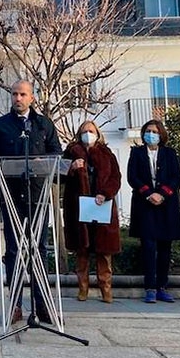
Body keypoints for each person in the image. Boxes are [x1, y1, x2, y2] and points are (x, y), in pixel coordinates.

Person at [0, 80, 61, 323]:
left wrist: (42, 162)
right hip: (11, 196)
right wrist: (3, 163)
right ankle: (14, 306)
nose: (18, 98)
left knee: (40, 250)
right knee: (14, 251)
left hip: (37, 196)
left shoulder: (43, 124)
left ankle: (43, 304)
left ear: (32, 98)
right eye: (14, 94)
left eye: (22, 94)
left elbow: (56, 154)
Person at [127, 119, 180, 304]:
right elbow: (132, 177)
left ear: (161, 134)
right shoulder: (136, 153)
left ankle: (162, 286)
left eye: (154, 131)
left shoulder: (170, 153)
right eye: (148, 131)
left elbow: (176, 177)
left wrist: (162, 194)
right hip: (145, 205)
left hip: (166, 205)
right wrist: (148, 193)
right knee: (148, 246)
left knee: (164, 248)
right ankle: (150, 287)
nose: (151, 134)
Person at [62, 120, 121, 304]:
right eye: (85, 130)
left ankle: (106, 289)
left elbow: (115, 178)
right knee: (82, 251)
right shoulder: (71, 152)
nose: (88, 133)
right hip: (78, 207)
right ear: (79, 134)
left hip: (102, 206)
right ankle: (83, 288)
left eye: (91, 130)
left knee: (104, 251)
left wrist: (106, 194)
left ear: (97, 133)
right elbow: (59, 175)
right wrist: (71, 168)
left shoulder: (107, 153)